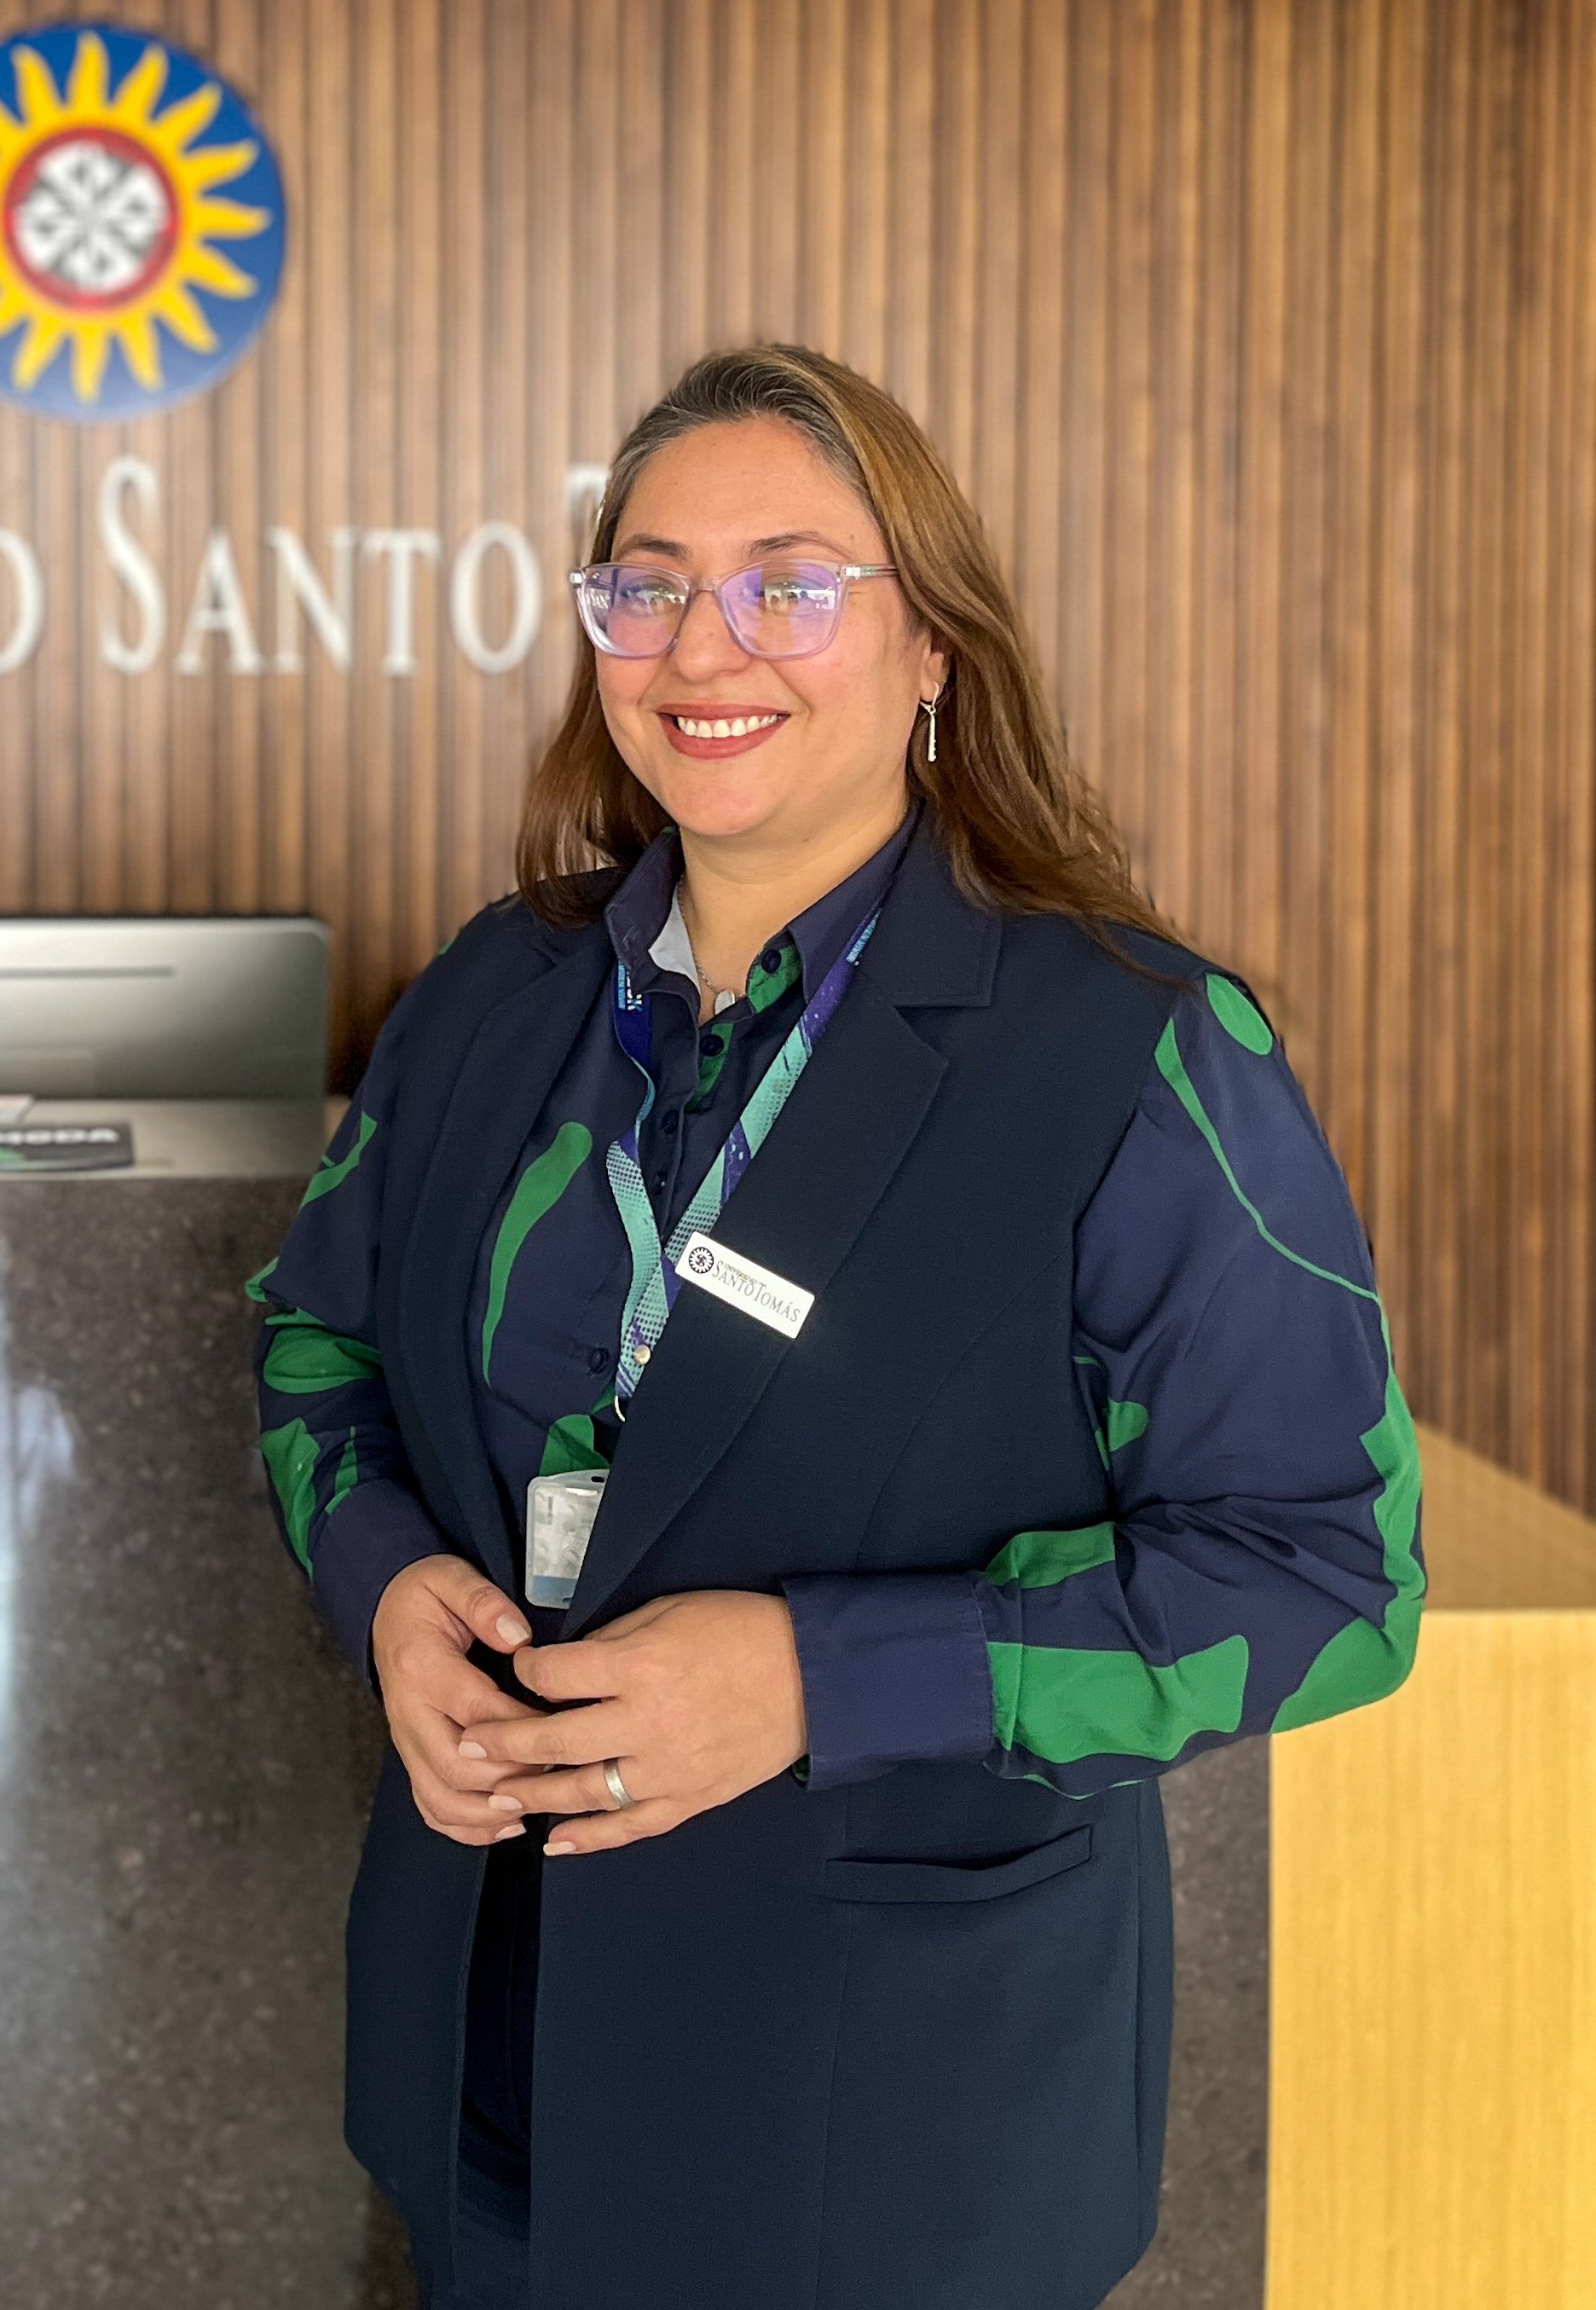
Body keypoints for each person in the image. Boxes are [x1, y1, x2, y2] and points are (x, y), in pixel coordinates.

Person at [246, 344, 1423, 2310]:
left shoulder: (1132, 1052)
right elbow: (313, 1341)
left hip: (893, 2127)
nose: (709, 642)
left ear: (934, 645)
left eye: (792, 581)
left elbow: (1326, 1581)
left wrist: (815, 1679)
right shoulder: (490, 995)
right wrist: (381, 1586)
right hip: (492, 2061)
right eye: (648, 581)